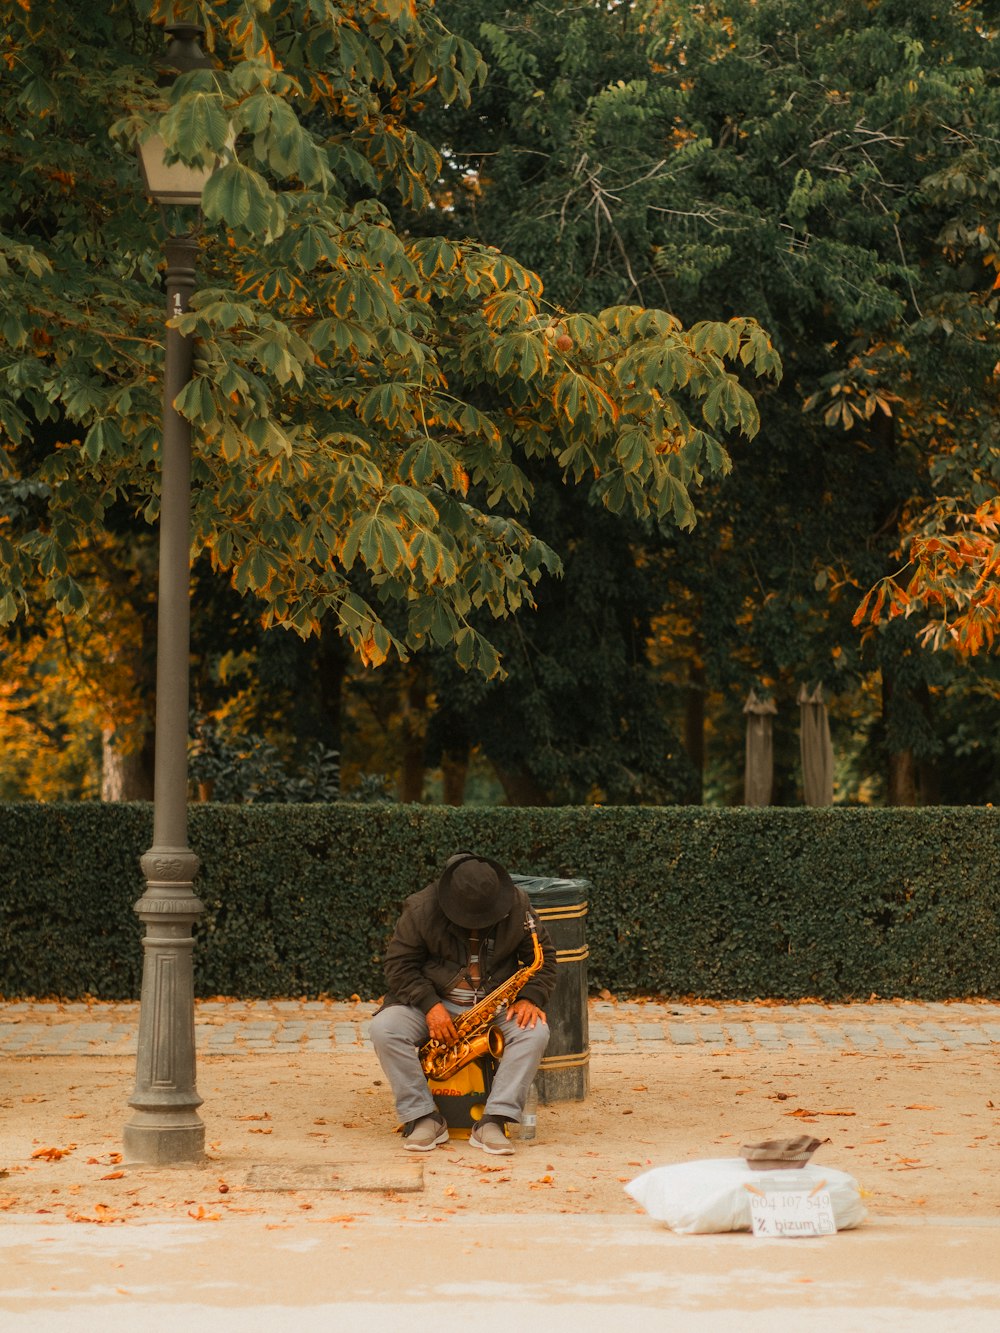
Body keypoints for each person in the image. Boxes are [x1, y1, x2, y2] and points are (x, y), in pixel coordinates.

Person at [371, 852, 556, 1155]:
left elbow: (544, 959)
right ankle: (422, 1117)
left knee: (535, 1032)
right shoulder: (421, 909)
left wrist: (530, 998)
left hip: (495, 1007)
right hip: (431, 1004)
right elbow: (398, 966)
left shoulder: (518, 905)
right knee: (384, 1029)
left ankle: (494, 1120)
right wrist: (430, 1005)